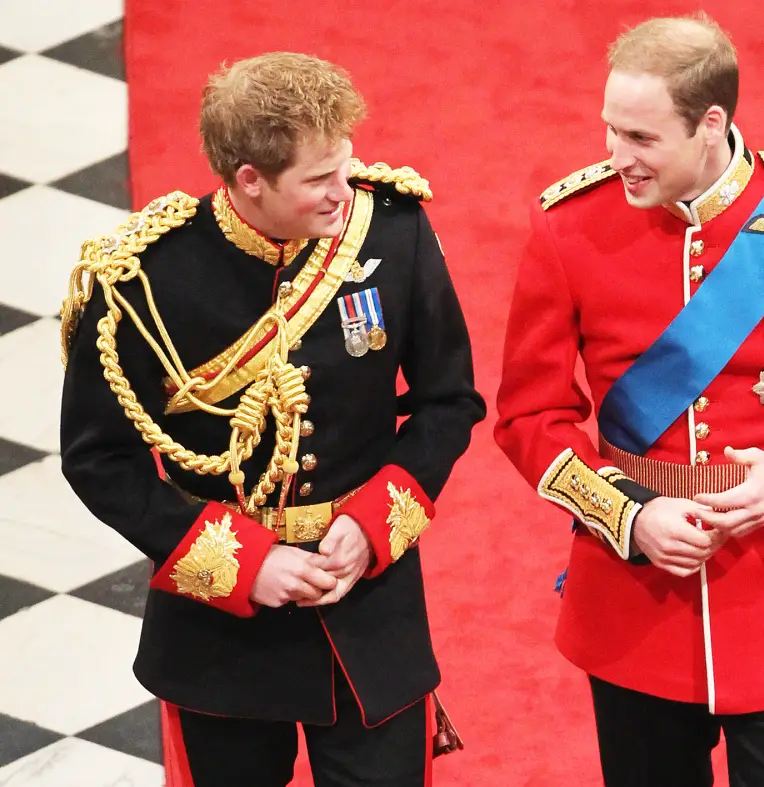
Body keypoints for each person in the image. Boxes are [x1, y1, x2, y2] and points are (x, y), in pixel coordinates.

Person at [494, 14, 764, 787]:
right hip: (633, 603)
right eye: (610, 130)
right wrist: (630, 515)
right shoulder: (568, 227)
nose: (615, 157)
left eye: (640, 137)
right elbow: (529, 416)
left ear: (711, 125)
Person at [60, 52, 485, 787]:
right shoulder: (146, 281)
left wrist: (379, 520)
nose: (343, 193)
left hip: (368, 608)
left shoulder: (391, 231)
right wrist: (245, 564)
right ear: (249, 179)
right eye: (319, 180)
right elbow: (99, 457)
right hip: (220, 631)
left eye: (345, 167)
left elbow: (449, 399)